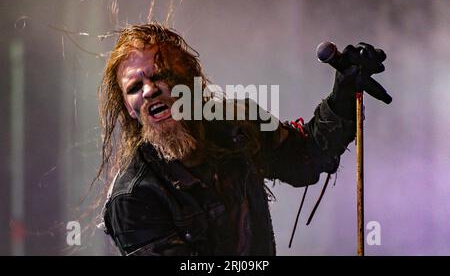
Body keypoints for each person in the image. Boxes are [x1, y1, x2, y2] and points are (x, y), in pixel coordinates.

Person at [97, 23, 388, 255]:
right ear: (130, 110)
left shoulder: (236, 126)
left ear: (189, 81)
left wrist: (343, 97)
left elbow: (306, 158)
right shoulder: (134, 197)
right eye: (134, 87)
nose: (149, 91)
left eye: (160, 75)